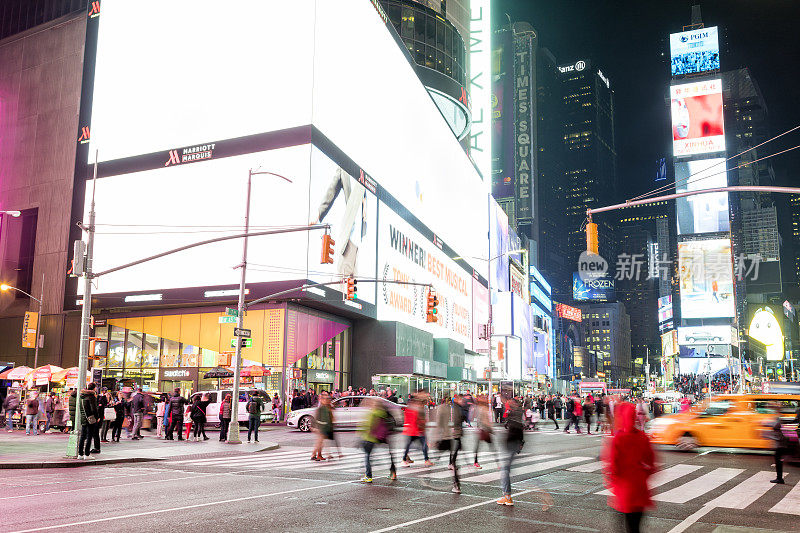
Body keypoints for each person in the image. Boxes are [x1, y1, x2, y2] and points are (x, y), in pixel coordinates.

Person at [602, 402, 656, 533]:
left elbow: (613, 465)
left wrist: (612, 481)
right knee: (635, 527)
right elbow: (651, 463)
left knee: (623, 525)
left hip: (624, 490)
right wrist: (643, 474)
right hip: (640, 489)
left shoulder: (618, 439)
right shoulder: (642, 437)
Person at [359, 397, 397, 483]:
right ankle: (393, 473)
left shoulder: (373, 413)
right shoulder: (385, 412)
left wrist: (363, 434)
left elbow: (370, 426)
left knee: (368, 456)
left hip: (373, 437)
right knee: (389, 455)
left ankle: (368, 476)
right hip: (385, 436)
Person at [497, 397, 524, 506]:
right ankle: (507, 496)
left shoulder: (514, 414)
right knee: (505, 469)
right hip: (513, 444)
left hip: (512, 444)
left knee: (505, 471)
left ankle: (507, 497)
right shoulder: (516, 413)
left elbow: (508, 419)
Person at [401, 393, 433, 467]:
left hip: (415, 430)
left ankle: (425, 459)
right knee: (417, 444)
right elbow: (415, 419)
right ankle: (404, 459)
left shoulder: (412, 407)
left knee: (412, 444)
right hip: (415, 430)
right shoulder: (414, 408)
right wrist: (422, 425)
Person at [311, 391, 336, 460]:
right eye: (325, 399)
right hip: (320, 428)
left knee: (321, 442)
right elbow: (317, 418)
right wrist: (316, 427)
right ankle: (314, 455)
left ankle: (320, 455)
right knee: (319, 442)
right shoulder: (321, 408)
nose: (327, 400)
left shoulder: (326, 406)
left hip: (323, 427)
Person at [78, 383, 100, 459]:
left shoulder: (81, 396)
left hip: (83, 418)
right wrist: (97, 417)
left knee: (82, 436)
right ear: (94, 388)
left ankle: (80, 454)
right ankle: (87, 454)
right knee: (89, 436)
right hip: (90, 418)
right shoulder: (91, 397)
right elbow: (94, 409)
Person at [770, 403, 790, 484]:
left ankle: (779, 479)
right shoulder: (780, 418)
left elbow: (776, 427)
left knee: (778, 461)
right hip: (781, 443)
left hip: (780, 443)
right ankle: (779, 478)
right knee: (778, 461)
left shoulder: (779, 419)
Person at [473, 395, 493, 469]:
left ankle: (475, 462)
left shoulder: (482, 408)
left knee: (480, 446)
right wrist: (490, 429)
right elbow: (483, 420)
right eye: (484, 398)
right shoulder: (482, 408)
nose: (486, 399)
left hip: (483, 429)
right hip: (484, 430)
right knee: (490, 445)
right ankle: (475, 462)